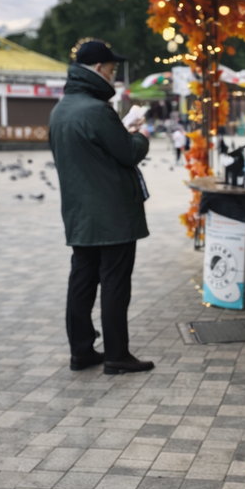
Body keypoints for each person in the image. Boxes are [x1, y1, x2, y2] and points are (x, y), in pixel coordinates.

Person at [49, 38, 154, 375]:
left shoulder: (61, 109)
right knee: (114, 284)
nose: (113, 76)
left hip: (80, 215)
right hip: (113, 216)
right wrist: (140, 135)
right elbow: (128, 152)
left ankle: (81, 351)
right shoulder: (97, 110)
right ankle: (116, 354)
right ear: (98, 69)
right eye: (111, 70)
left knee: (81, 281)